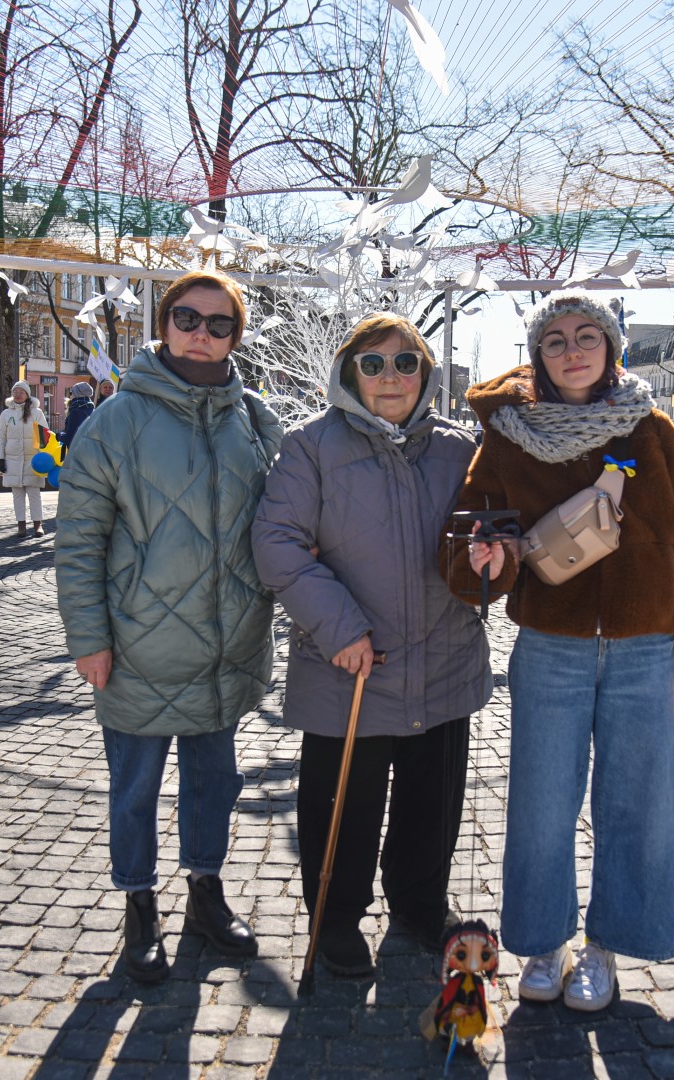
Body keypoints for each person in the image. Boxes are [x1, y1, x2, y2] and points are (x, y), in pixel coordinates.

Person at [446, 291, 674, 1013]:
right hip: (552, 647)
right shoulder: (509, 437)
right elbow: (469, 535)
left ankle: (606, 949)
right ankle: (545, 944)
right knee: (542, 805)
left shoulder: (653, 431)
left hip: (644, 649)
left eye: (586, 337)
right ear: (538, 355)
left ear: (611, 349)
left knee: (636, 803)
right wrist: (486, 556)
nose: (572, 350)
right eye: (554, 340)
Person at [55, 269, 283, 982]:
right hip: (138, 646)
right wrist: (88, 638)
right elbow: (79, 538)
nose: (201, 333)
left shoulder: (253, 418)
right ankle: (139, 908)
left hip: (227, 643)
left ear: (235, 336)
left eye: (221, 324)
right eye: (188, 317)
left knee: (214, 783)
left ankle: (205, 895)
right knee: (135, 790)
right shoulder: (115, 420)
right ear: (164, 321)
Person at [252, 313, 489, 975]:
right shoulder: (311, 445)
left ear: (426, 372)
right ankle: (336, 921)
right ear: (349, 372)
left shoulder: (457, 448)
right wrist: (340, 628)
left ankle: (418, 905)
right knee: (343, 813)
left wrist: (493, 555)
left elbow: (486, 530)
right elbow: (277, 544)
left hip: (442, 661)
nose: (391, 377)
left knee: (430, 806)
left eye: (406, 363)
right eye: (374, 363)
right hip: (348, 668)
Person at [0, 380, 49, 539]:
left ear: (27, 395)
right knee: (17, 493)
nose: (18, 394)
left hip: (33, 460)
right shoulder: (6, 414)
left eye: (21, 392)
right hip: (12, 459)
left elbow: (43, 436)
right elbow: (1, 437)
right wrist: (0, 458)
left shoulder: (36, 413)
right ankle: (21, 525)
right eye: (15, 392)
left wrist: (43, 457)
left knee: (34, 493)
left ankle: (38, 524)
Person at [57, 382, 95, 450]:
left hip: (78, 454)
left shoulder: (76, 412)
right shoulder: (93, 410)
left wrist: (59, 436)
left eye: (72, 392)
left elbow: (71, 439)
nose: (71, 395)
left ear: (76, 393)